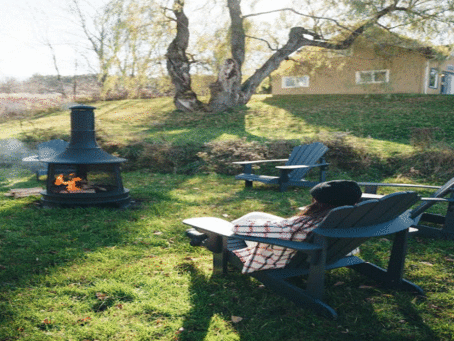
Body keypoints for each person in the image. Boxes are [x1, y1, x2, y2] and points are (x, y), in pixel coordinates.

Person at [231, 180, 362, 274]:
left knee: (236, 225)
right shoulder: (352, 217)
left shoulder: (298, 226)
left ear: (319, 203)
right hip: (330, 252)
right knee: (255, 215)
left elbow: (238, 228)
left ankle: (216, 242)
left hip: (291, 258)